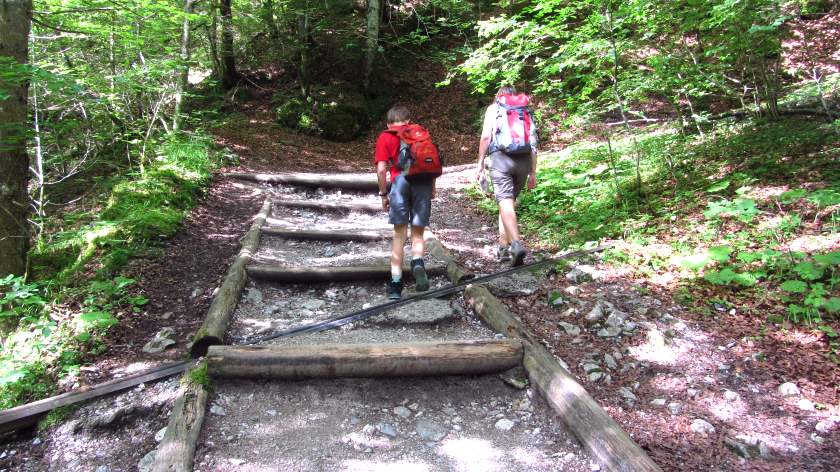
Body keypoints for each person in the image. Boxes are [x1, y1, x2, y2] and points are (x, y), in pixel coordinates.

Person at [374, 105, 436, 299]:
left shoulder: (385, 136)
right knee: (418, 231)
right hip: (423, 182)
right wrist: (432, 187)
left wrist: (384, 194)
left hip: (400, 183)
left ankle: (395, 284)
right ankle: (417, 263)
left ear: (388, 123)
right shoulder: (421, 133)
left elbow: (382, 169)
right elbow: (430, 162)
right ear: (408, 120)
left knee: (399, 234)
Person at [475, 85, 538, 266]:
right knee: (507, 204)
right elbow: (533, 141)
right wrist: (533, 171)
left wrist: (480, 162)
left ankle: (516, 244)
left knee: (505, 202)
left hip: (501, 160)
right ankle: (503, 247)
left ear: (499, 96)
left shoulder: (493, 109)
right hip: (524, 161)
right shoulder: (525, 110)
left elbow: (486, 137)